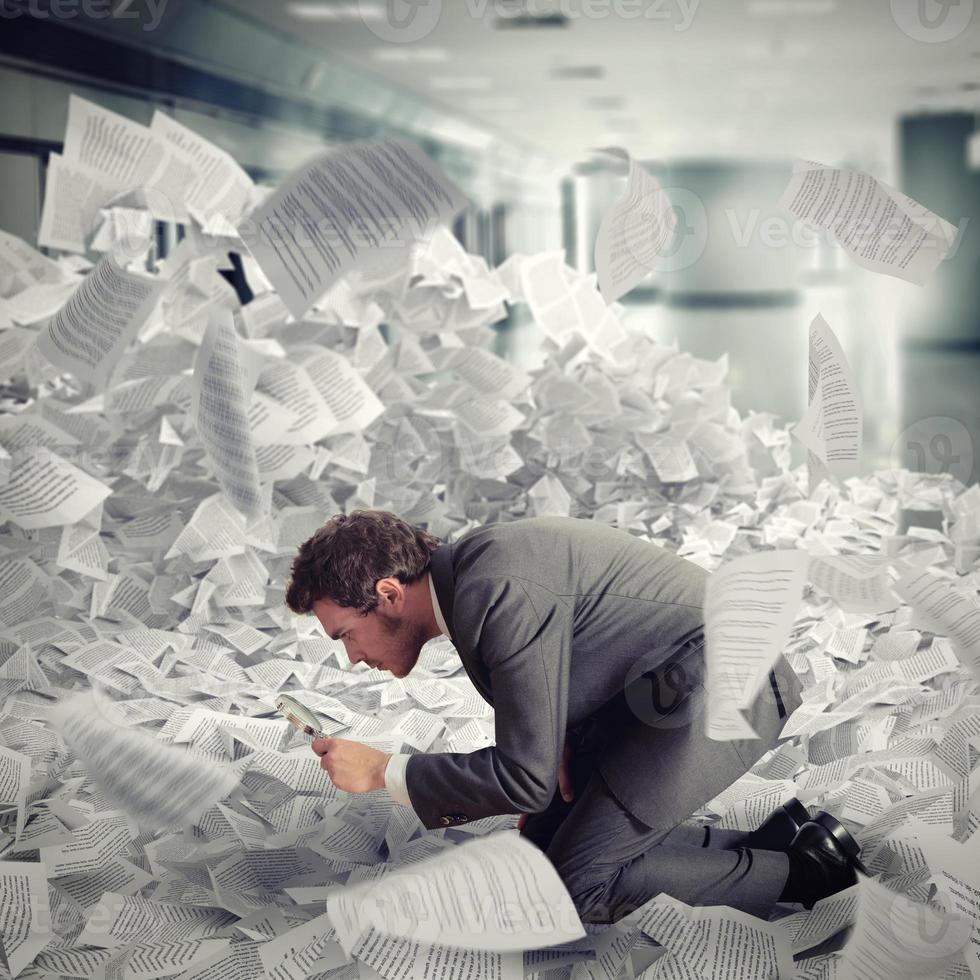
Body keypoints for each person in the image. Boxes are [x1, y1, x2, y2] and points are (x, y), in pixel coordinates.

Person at [285, 509, 864, 923]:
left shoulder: (493, 591)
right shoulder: (472, 575)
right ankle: (779, 839)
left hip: (719, 687)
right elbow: (553, 690)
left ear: (387, 595)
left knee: (571, 890)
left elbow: (524, 780)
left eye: (346, 636)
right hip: (656, 693)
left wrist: (387, 771)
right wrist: (551, 756)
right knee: (540, 852)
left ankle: (805, 872)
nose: (353, 657)